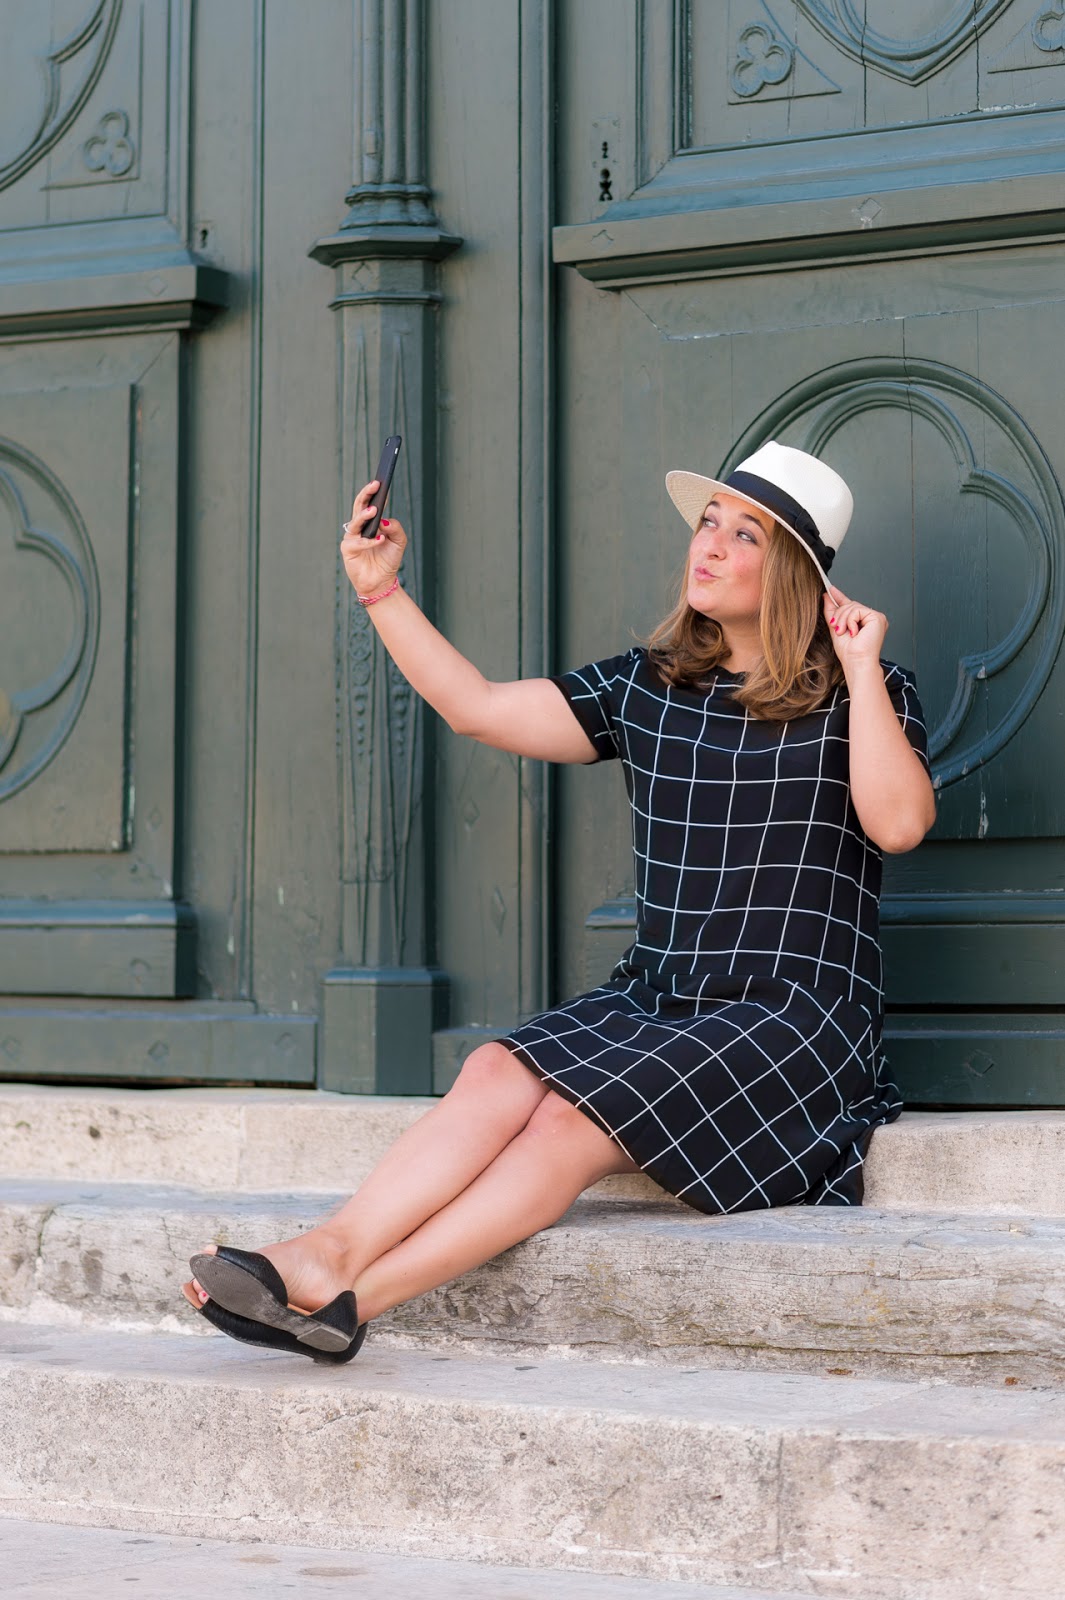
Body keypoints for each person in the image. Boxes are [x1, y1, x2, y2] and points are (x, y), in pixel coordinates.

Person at [182, 440, 936, 1363]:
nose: (708, 545)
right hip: (661, 996)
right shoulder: (649, 686)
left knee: (570, 1121)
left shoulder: (867, 690)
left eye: (745, 535)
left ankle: (350, 1303)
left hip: (793, 1017)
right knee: (495, 1072)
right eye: (708, 522)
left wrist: (859, 668)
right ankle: (324, 1252)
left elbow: (898, 824)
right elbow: (476, 707)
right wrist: (379, 589)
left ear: (793, 572)